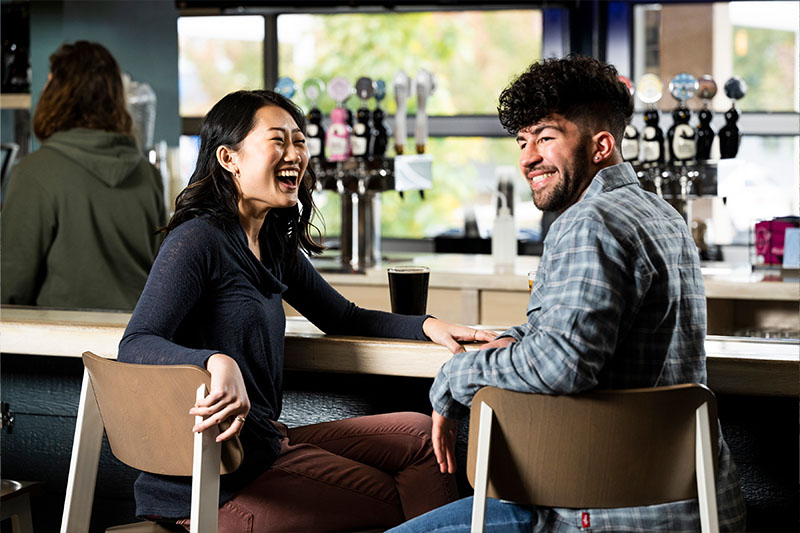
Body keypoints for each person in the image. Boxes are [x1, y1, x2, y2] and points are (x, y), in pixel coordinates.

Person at [388, 56, 747, 532]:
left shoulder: (589, 222)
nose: (527, 157)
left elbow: (563, 365)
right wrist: (516, 340)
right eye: (522, 140)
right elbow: (583, 336)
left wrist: (457, 375)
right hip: (689, 507)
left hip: (594, 511)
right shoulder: (664, 217)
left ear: (601, 146)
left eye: (546, 137)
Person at [117, 88, 497, 532]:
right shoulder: (197, 240)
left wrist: (428, 325)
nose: (295, 153)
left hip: (261, 446)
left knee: (420, 436)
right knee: (412, 500)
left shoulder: (272, 242)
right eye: (278, 140)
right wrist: (213, 362)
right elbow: (136, 343)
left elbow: (343, 318)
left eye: (299, 141)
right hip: (213, 487)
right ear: (229, 158)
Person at [1, 41, 165, 310]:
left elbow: (9, 289)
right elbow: (163, 276)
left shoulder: (34, 172)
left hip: (58, 345)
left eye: (48, 82)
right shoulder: (148, 175)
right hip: (135, 344)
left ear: (57, 94)